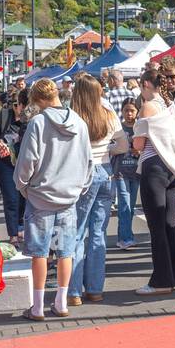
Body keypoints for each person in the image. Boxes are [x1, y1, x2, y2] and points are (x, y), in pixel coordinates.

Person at [15, 78, 92, 320]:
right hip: (69, 196)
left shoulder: (37, 123)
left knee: (40, 253)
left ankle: (37, 307)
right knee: (65, 251)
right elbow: (88, 161)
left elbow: (27, 161)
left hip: (40, 197)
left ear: (37, 100)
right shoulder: (79, 123)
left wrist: (23, 186)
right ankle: (61, 302)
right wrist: (80, 187)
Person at [132, 60, 175, 296]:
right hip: (173, 167)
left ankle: (160, 280)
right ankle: (174, 275)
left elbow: (138, 143)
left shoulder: (147, 106)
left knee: (157, 227)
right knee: (170, 224)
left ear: (147, 83)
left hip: (154, 166)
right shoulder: (169, 104)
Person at [67, 73, 121, 306]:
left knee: (77, 233)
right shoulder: (108, 114)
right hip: (105, 169)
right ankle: (95, 288)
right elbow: (123, 144)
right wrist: (107, 149)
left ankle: (74, 291)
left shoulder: (73, 117)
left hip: (81, 172)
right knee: (98, 234)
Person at [0, 89, 28, 243]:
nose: (21, 109)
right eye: (17, 106)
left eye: (23, 106)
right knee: (11, 199)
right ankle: (13, 235)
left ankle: (21, 227)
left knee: (24, 199)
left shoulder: (31, 119)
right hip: (6, 164)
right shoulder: (3, 116)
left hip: (25, 164)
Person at [108, 97, 143, 249]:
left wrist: (139, 151)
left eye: (132, 110)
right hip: (120, 171)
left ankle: (126, 235)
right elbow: (110, 147)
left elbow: (147, 148)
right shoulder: (118, 129)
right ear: (121, 111)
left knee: (131, 206)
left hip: (136, 172)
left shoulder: (140, 128)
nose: (129, 114)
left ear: (137, 112)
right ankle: (125, 238)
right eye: (126, 110)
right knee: (124, 205)